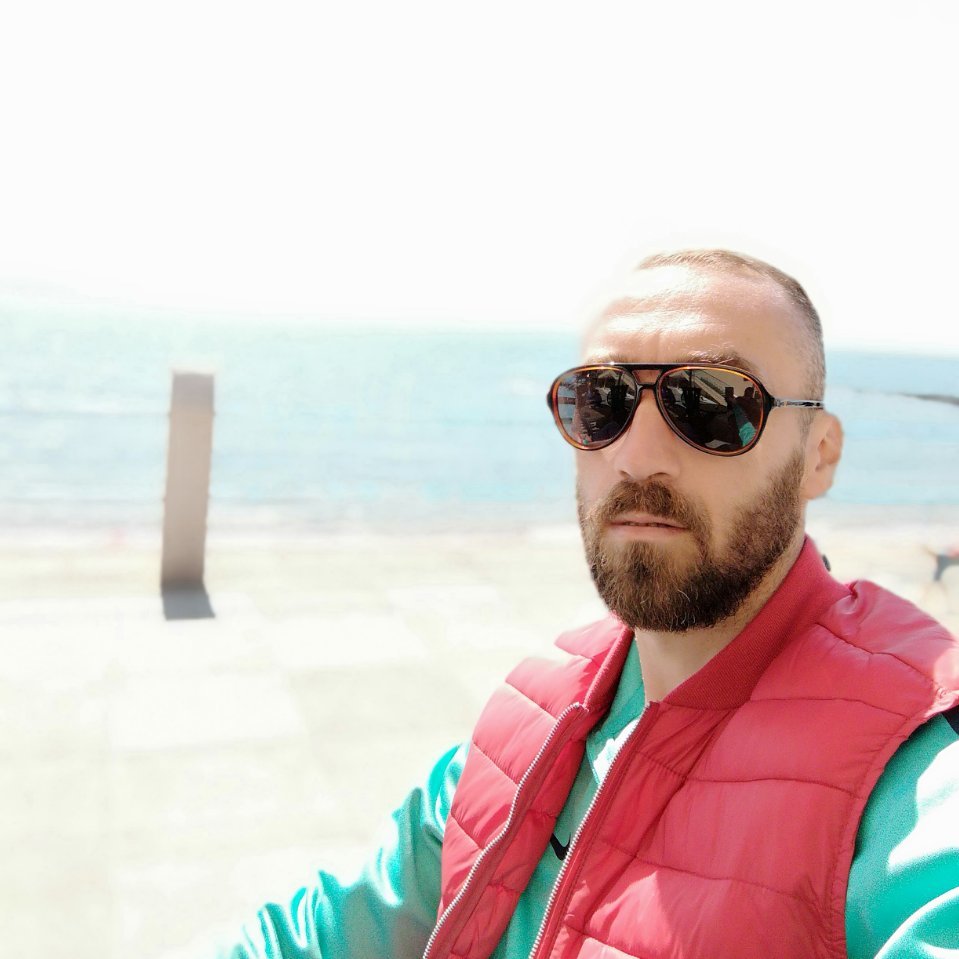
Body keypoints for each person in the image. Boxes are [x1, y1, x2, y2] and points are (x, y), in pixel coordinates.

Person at [220, 250, 959, 959]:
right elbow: (325, 930)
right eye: (601, 401)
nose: (635, 457)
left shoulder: (914, 771)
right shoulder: (531, 715)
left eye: (710, 404)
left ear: (818, 455)